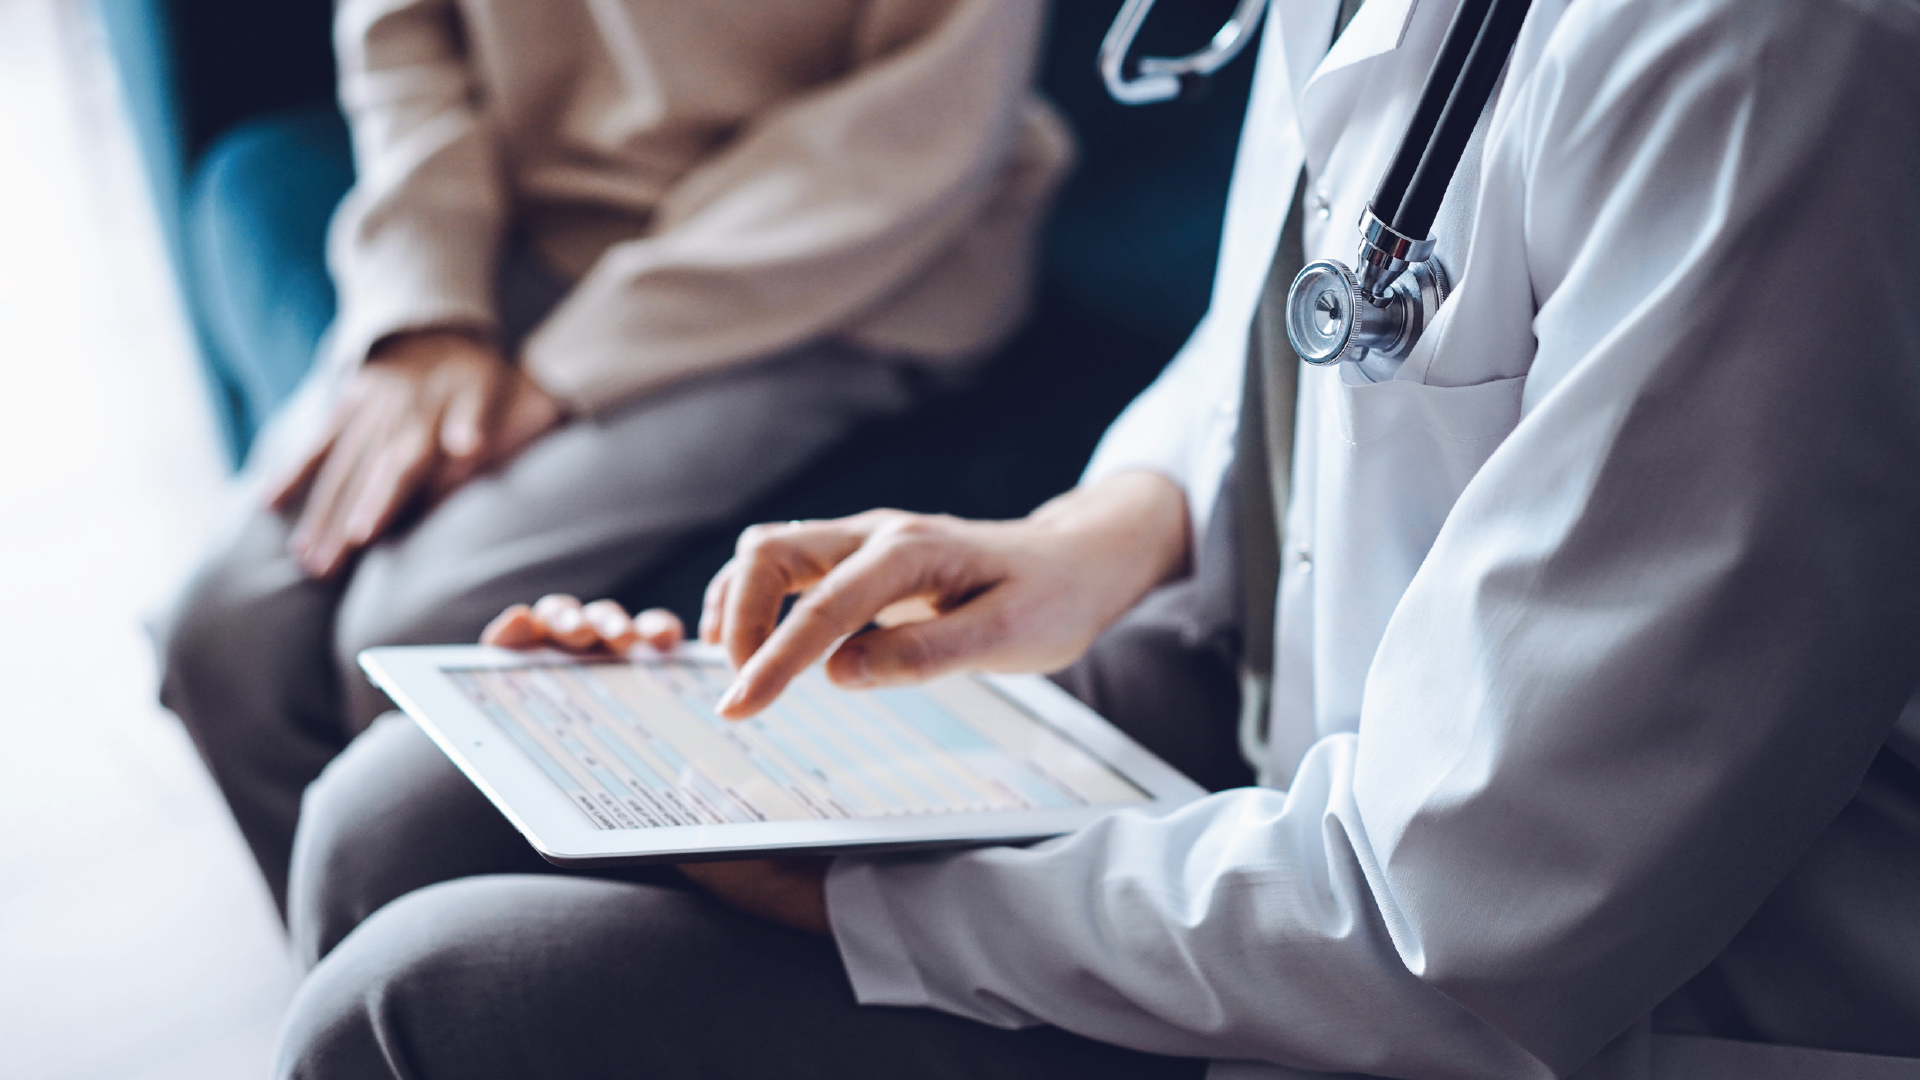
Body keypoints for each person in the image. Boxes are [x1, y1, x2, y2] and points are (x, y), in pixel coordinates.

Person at [272, 0, 1920, 1077]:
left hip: (1532, 974)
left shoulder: (1762, 51)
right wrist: (1087, 534)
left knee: (422, 1009)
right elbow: (1330, 307)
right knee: (397, 810)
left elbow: (1464, 939)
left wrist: (862, 892)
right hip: (1285, 720)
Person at [154, 0, 1071, 916]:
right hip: (536, 229)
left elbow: (902, 143)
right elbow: (402, 33)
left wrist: (568, 372)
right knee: (221, 632)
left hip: (847, 270)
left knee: (406, 632)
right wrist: (426, 308)